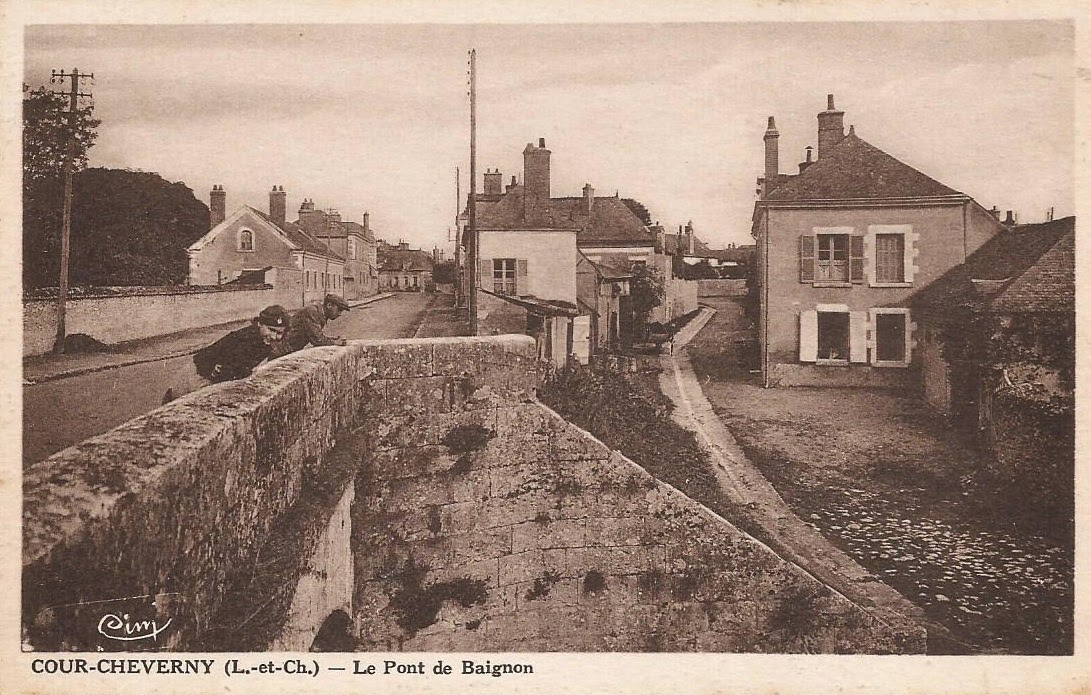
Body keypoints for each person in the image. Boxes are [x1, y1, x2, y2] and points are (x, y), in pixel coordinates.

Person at [162, 305, 289, 404]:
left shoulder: (264, 341)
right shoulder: (245, 340)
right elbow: (227, 373)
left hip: (212, 377)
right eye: (271, 330)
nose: (274, 336)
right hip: (197, 376)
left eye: (279, 333)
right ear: (259, 324)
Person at [271, 293, 350, 357]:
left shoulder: (319, 313)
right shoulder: (312, 312)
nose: (340, 314)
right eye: (339, 310)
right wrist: (336, 342)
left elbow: (318, 337)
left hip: (288, 351)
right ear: (329, 305)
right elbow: (318, 340)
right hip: (281, 351)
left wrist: (334, 339)